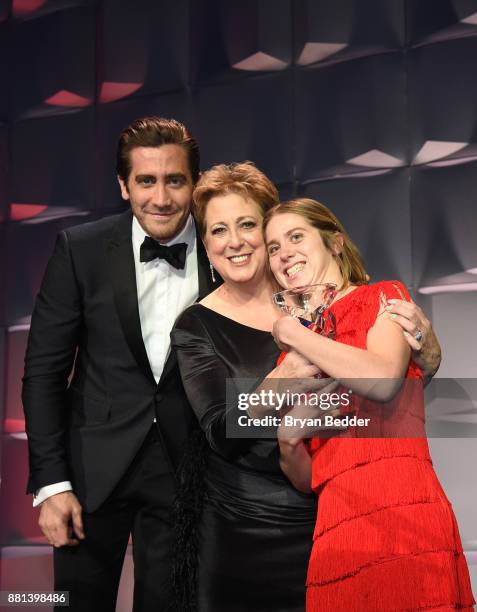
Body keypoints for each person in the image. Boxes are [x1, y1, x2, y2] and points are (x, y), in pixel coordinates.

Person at [170, 163, 444, 611]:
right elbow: (222, 430)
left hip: (330, 513)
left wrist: (429, 357)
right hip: (245, 524)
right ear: (206, 245)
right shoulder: (198, 324)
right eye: (219, 230)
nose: (235, 241)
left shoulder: (325, 303)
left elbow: (380, 391)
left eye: (248, 226)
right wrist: (286, 381)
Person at [22, 117, 219, 611]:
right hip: (90, 473)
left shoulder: (225, 250)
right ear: (123, 185)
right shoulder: (81, 249)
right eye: (146, 181)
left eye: (174, 180)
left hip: (186, 473)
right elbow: (43, 373)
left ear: (194, 182)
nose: (161, 198)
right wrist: (51, 483)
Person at [264, 198, 475, 611]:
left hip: (404, 516)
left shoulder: (383, 297)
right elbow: (311, 478)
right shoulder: (290, 360)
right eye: (273, 247)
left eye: (295, 236)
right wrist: (288, 441)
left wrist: (292, 330)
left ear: (335, 242)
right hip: (336, 532)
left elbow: (382, 381)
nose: (283, 252)